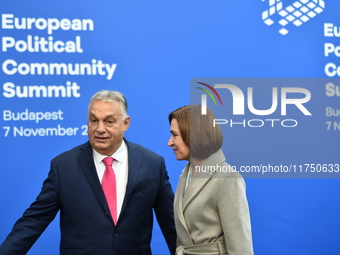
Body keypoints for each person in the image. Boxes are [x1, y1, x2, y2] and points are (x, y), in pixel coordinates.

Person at [0, 90, 176, 255]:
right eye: (94, 120)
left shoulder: (152, 163)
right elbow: (34, 221)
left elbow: (171, 224)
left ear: (125, 123)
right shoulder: (64, 166)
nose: (100, 129)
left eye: (109, 121)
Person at [167, 105, 253, 255]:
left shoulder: (227, 178)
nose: (170, 142)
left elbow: (241, 248)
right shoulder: (185, 175)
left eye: (175, 135)